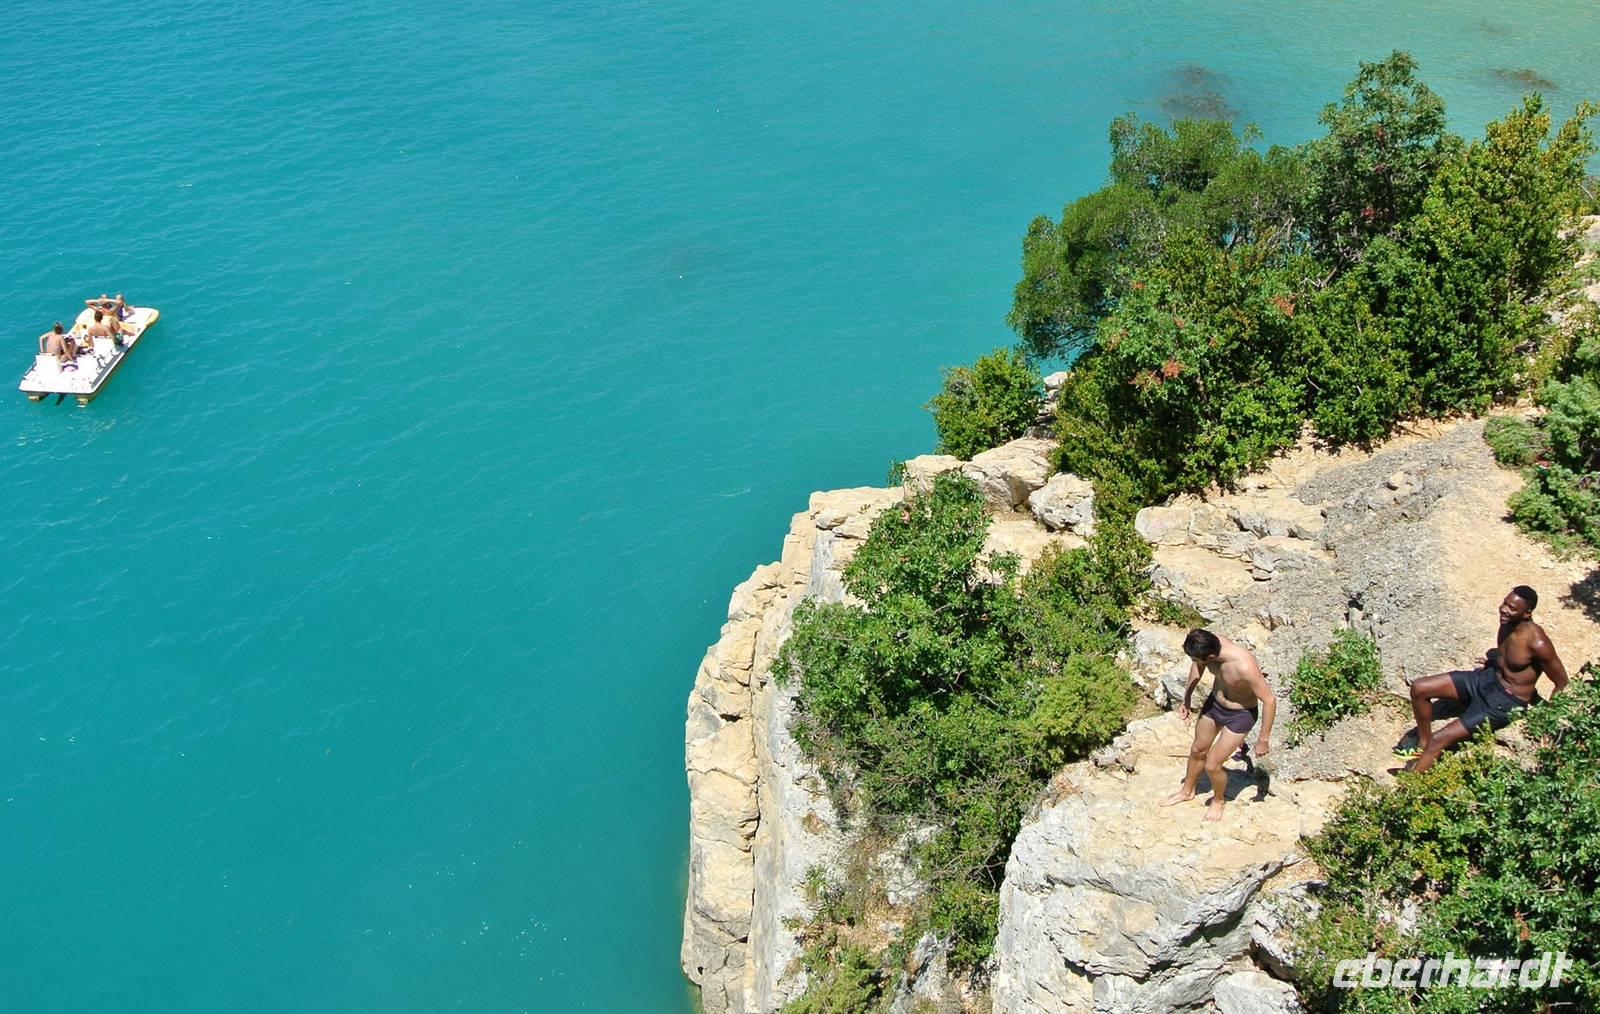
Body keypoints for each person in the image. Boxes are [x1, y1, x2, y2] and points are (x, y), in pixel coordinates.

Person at [1402, 586, 1568, 773]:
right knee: (1420, 688)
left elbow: (1561, 682)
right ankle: (1422, 743)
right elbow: (1506, 653)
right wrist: (1495, 660)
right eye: (1505, 603)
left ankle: (1407, 791)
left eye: (1512, 608)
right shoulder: (1506, 624)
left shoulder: (1538, 643)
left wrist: (1548, 721)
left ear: (1526, 613)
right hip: (1487, 679)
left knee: (1439, 739)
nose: (1504, 609)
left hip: (1504, 701)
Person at [1161, 629, 1277, 822]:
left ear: (1212, 657)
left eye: (1198, 659)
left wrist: (1263, 739)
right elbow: (1197, 666)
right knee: (1198, 750)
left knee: (1213, 765)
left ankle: (1218, 800)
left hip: (1240, 714)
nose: (1195, 662)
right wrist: (1187, 698)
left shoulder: (1244, 666)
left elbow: (1269, 700)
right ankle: (1187, 791)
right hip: (1214, 705)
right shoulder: (1209, 643)